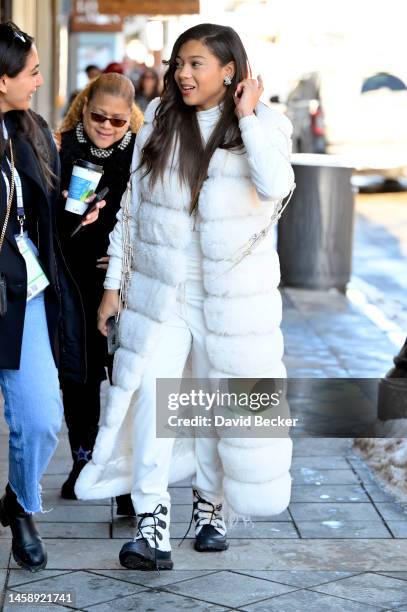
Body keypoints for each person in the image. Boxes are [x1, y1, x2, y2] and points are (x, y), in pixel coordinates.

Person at [76, 23, 295, 570]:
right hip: (162, 293)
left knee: (217, 403)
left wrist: (246, 116)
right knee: (155, 400)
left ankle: (210, 503)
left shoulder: (266, 125)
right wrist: (112, 290)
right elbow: (132, 211)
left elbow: (276, 184)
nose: (183, 73)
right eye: (180, 63)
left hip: (231, 300)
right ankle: (152, 523)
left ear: (230, 70)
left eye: (197, 63)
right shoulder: (158, 120)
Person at [0, 21, 104, 572]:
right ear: (1, 80)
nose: (40, 81)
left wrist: (75, 213)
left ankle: (19, 503)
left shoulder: (33, 129)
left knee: (40, 419)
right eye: (33, 72)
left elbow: (43, 215)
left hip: (25, 296)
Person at [55, 73, 143, 515]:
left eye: (118, 121)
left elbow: (151, 219)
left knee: (125, 377)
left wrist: (127, 263)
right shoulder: (60, 148)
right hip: (73, 279)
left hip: (125, 286)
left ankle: (125, 474)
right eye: (98, 117)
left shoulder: (141, 154)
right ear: (84, 106)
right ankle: (83, 460)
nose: (107, 127)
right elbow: (50, 221)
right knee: (79, 376)